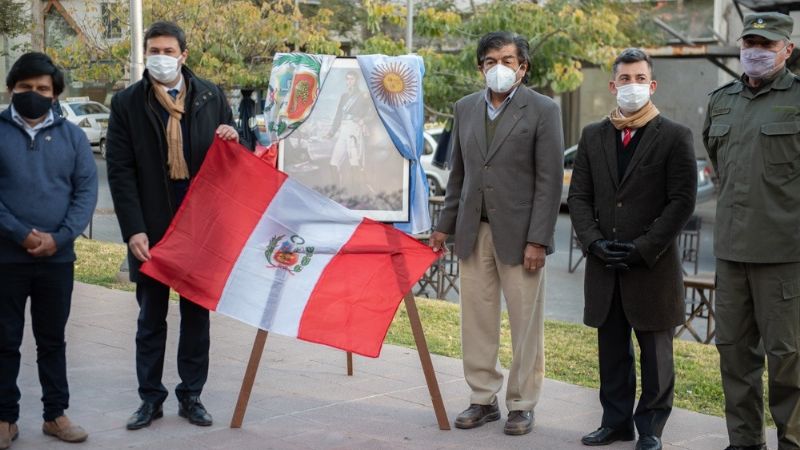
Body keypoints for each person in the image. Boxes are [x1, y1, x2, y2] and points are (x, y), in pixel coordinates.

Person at [106, 21, 238, 431]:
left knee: (197, 315)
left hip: (200, 224)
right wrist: (134, 229)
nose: (160, 57)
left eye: (167, 51)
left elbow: (235, 157)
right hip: (152, 225)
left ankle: (191, 395)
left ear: (184, 55)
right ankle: (150, 398)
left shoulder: (211, 96)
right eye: (153, 50)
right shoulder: (127, 103)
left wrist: (234, 137)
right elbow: (120, 170)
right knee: (151, 317)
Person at [429, 31, 563, 436]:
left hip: (522, 238)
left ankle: (522, 403)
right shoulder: (465, 107)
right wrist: (444, 227)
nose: (499, 68)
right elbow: (460, 175)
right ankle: (482, 398)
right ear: (480, 67)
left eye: (507, 60)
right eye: (490, 61)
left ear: (522, 68)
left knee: (525, 325)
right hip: (473, 232)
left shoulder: (543, 110)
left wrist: (538, 239)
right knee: (476, 321)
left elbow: (550, 181)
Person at [568, 48, 696, 450]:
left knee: (656, 356)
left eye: (640, 79)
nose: (632, 86)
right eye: (625, 79)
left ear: (652, 85)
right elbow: (579, 197)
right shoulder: (593, 136)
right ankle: (616, 423)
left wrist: (644, 247)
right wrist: (593, 242)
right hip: (605, 265)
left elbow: (682, 202)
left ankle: (652, 428)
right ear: (613, 85)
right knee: (612, 353)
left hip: (652, 266)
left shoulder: (675, 136)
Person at [703, 12, 800, 450]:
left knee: (788, 359)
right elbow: (720, 163)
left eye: (767, 44)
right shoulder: (721, 100)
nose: (756, 51)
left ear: (787, 50)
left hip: (784, 255)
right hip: (731, 252)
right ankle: (744, 442)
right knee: (735, 354)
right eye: (750, 43)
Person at [0, 52, 97, 447]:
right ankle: (5, 418)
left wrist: (60, 238)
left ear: (55, 93)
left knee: (52, 340)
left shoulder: (73, 137)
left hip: (57, 259)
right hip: (6, 258)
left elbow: (86, 192)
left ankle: (55, 415)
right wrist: (20, 234)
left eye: (43, 88)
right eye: (26, 87)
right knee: (4, 340)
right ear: (11, 88)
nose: (34, 94)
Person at [326, 70, 371, 190]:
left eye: (352, 79)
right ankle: (337, 192)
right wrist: (331, 132)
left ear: (357, 80)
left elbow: (372, 115)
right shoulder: (344, 97)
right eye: (347, 79)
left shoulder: (363, 96)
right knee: (333, 163)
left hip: (355, 130)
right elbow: (338, 115)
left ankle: (356, 194)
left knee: (355, 164)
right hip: (343, 129)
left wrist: (363, 120)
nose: (349, 81)